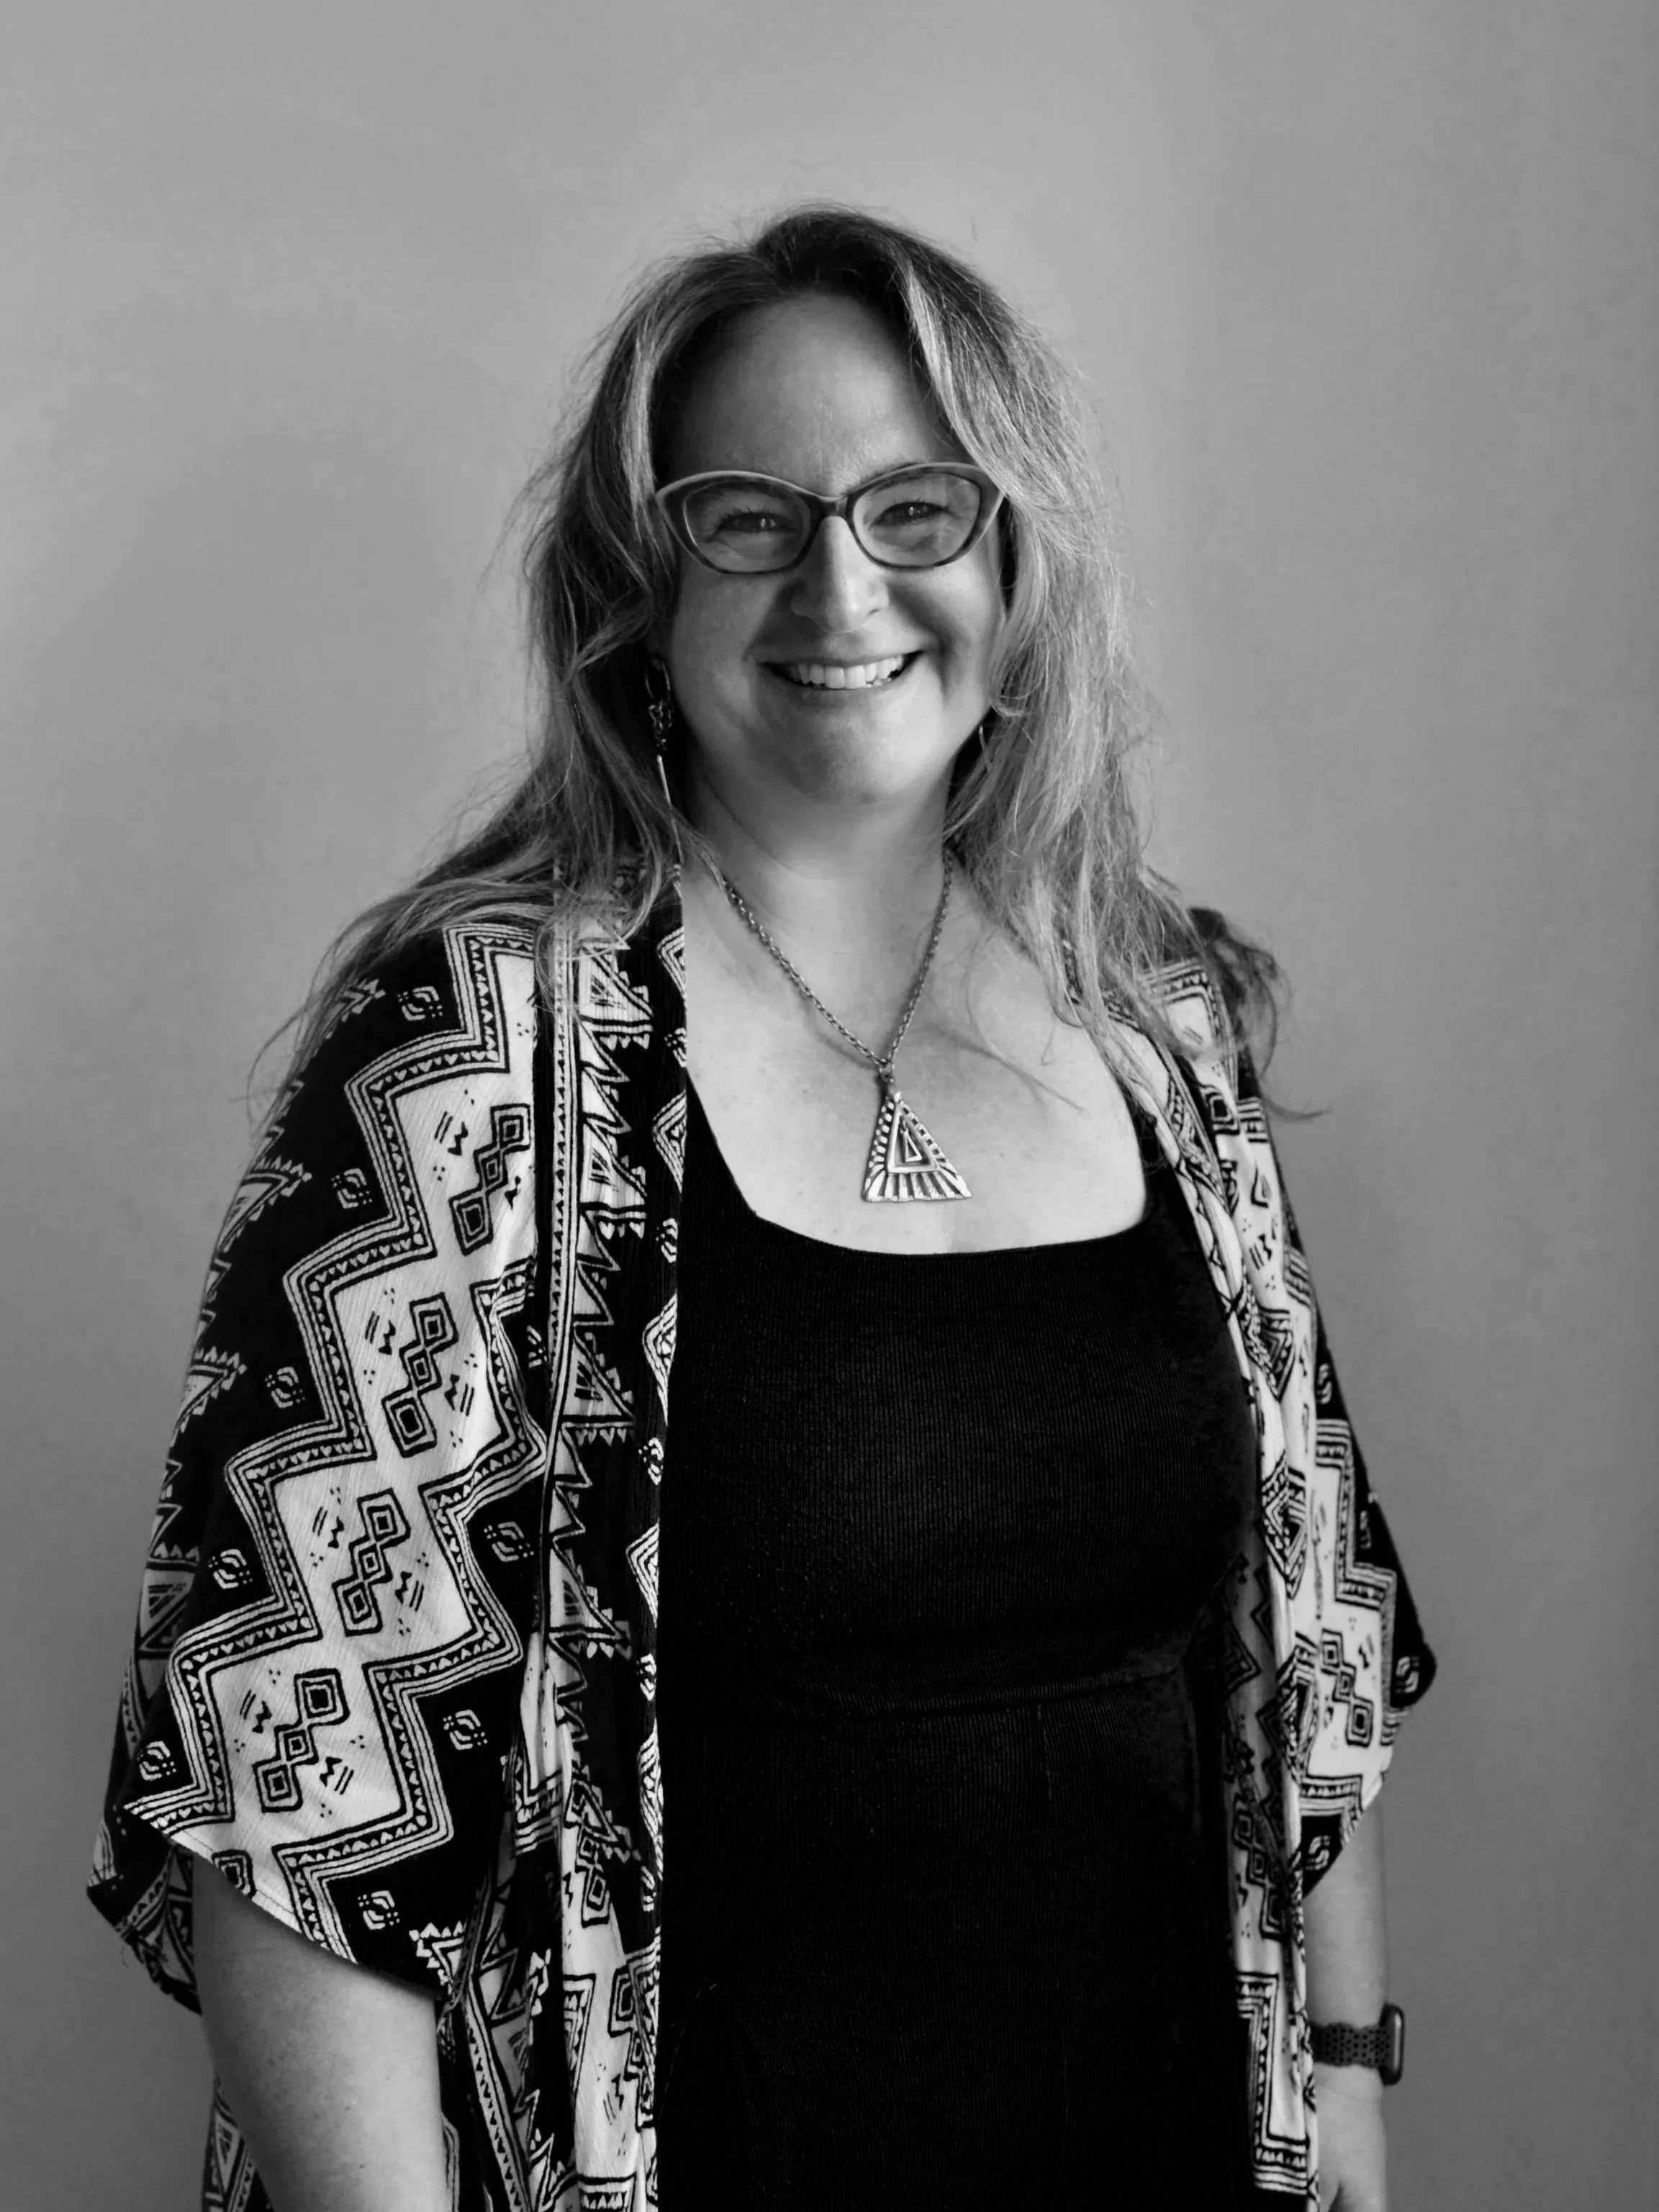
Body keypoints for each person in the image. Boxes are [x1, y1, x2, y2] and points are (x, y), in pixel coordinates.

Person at [89, 203, 1434, 2211]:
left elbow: (1303, 1634)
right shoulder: (474, 1052)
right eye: (746, 514)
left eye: (918, 506)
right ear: (638, 590)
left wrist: (1345, 2064)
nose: (839, 581)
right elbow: (292, 1800)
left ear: (1016, 564)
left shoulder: (1158, 1028)